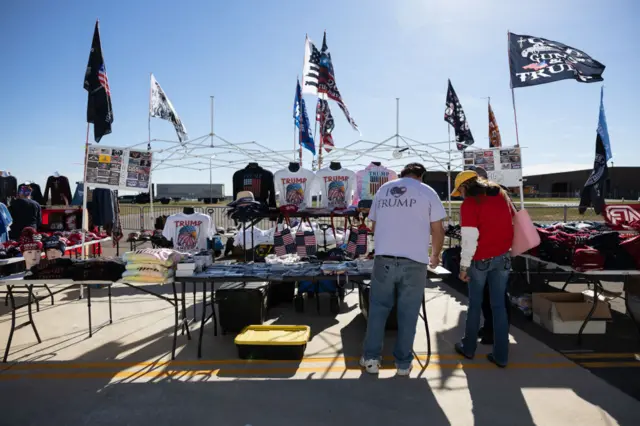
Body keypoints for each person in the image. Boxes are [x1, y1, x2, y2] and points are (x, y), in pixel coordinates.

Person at [361, 162, 446, 375]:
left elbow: (374, 225)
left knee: (378, 310)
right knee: (408, 313)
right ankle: (403, 363)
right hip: (415, 261)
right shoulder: (427, 191)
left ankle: (371, 359)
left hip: (384, 258)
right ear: (421, 176)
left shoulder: (383, 189)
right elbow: (438, 230)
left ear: (402, 174)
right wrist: (435, 255)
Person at [451, 170, 514, 368]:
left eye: (459, 190)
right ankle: (501, 355)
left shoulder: (470, 203)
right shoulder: (502, 195)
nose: (459, 194)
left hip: (480, 259)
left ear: (464, 186)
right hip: (503, 256)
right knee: (499, 307)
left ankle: (468, 348)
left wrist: (463, 266)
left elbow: (469, 240)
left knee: (475, 305)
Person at [467, 166, 512, 345]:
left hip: (484, 254)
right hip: (501, 252)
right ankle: (496, 332)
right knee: (498, 297)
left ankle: (491, 332)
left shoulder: (479, 198)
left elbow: (472, 231)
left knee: (486, 298)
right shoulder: (501, 193)